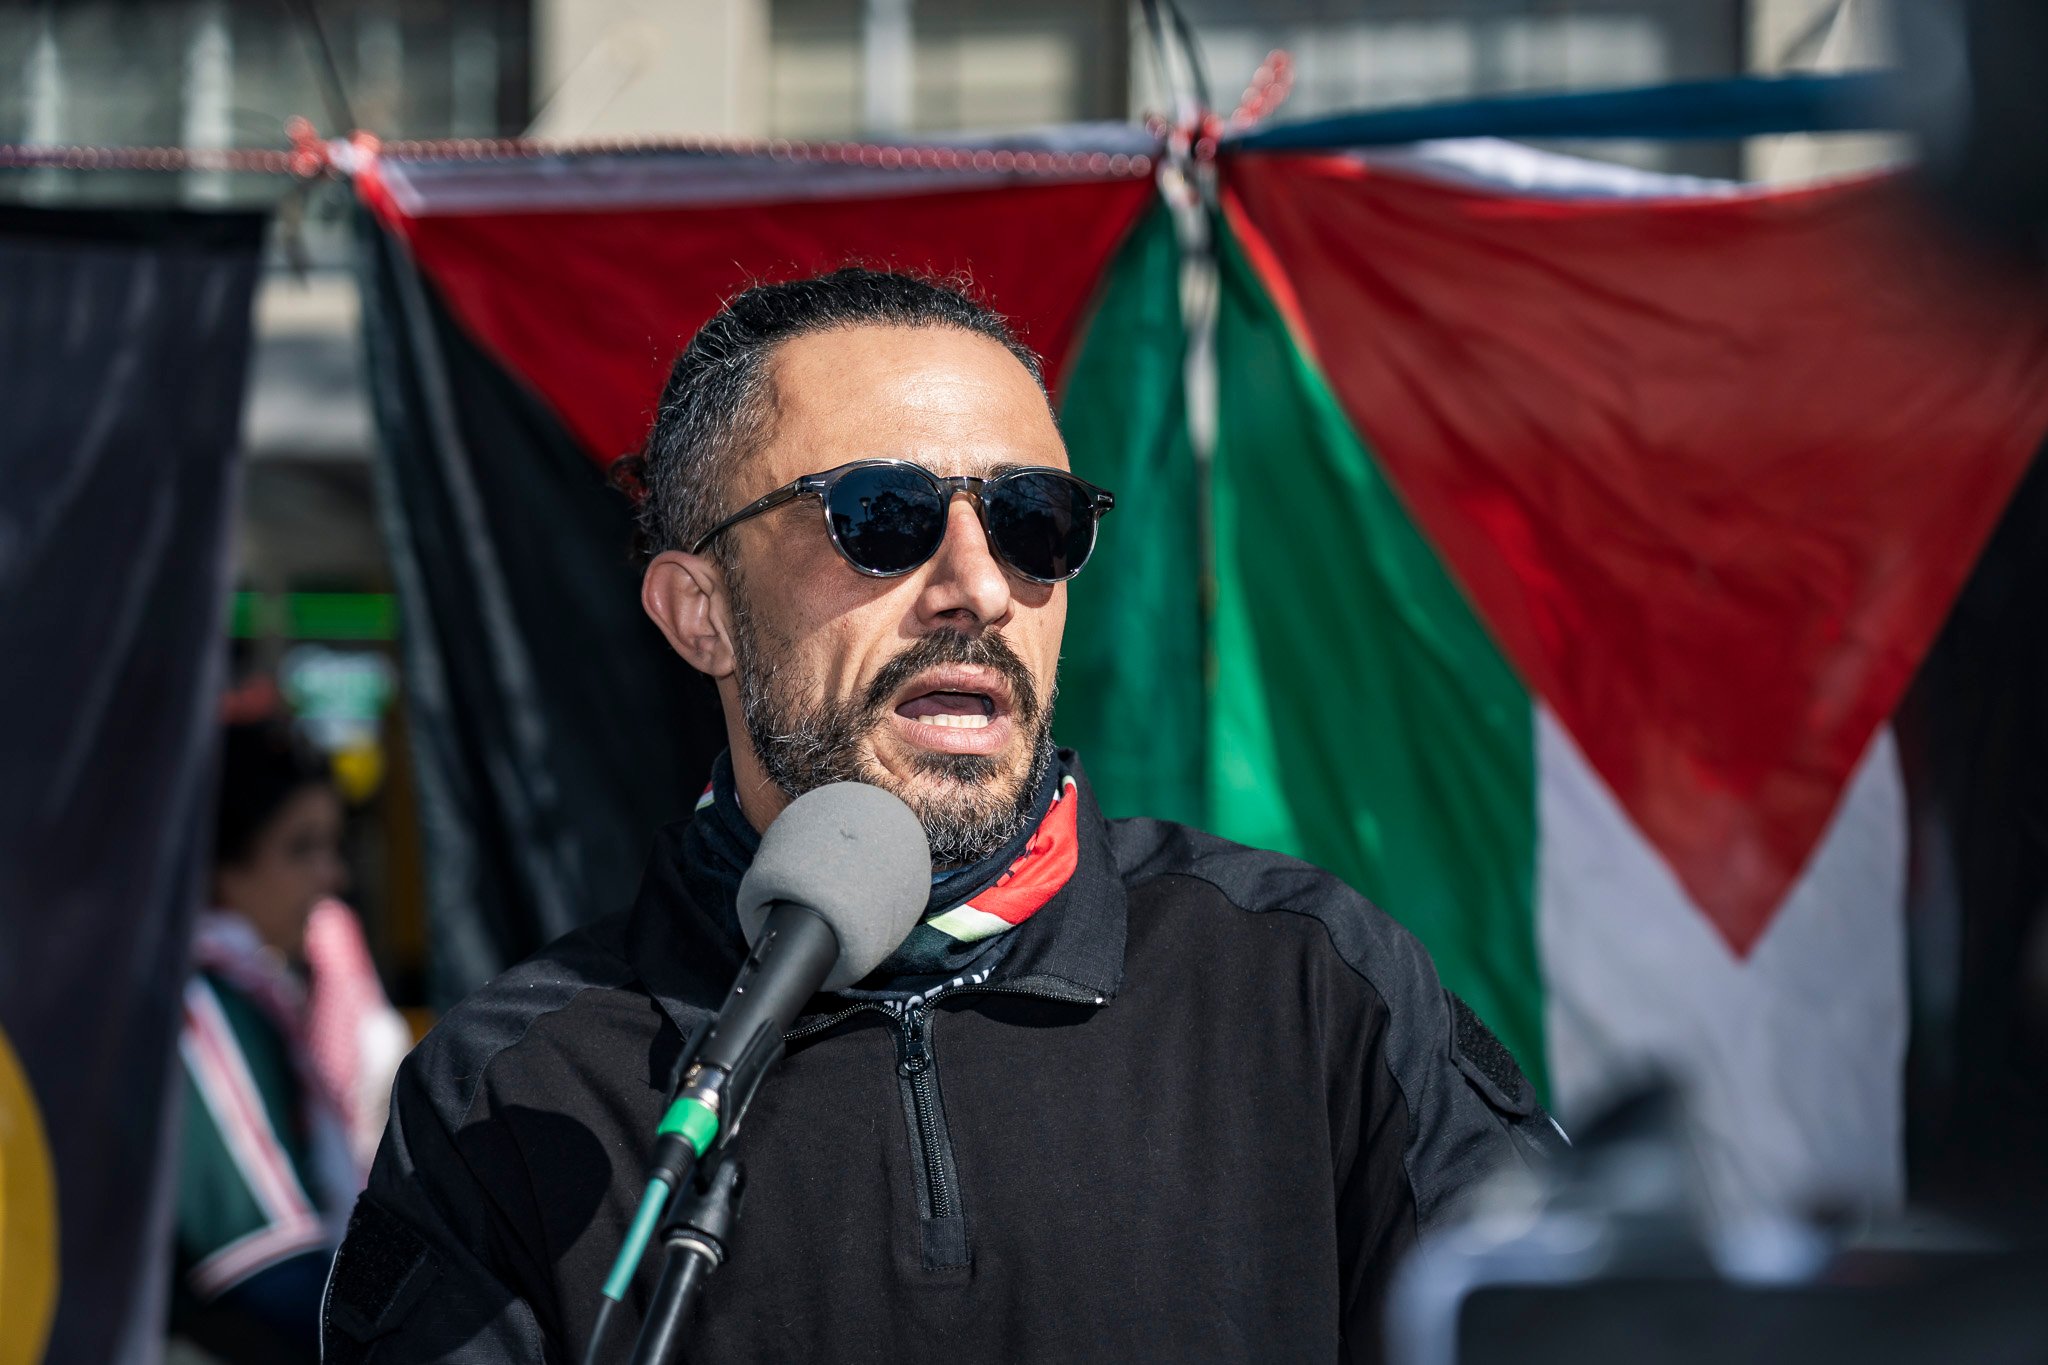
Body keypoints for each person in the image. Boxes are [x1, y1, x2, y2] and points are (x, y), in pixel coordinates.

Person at [323, 269, 1561, 1365]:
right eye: (880, 516)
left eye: (1033, 522)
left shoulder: (1307, 984)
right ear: (699, 612)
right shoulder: (517, 1089)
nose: (977, 587)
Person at [174, 721, 408, 1362]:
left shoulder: (254, 991)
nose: (332, 875)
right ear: (223, 865)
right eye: (301, 848)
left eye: (334, 846)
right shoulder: (200, 1003)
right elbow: (264, 1263)